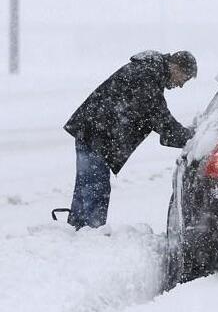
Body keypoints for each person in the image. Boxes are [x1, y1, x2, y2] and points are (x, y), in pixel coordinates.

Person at [63, 50, 197, 229]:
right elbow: (159, 116)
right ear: (176, 66)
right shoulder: (148, 75)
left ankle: (76, 229)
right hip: (96, 134)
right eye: (184, 78)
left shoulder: (149, 71)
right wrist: (191, 138)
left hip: (92, 131)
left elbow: (156, 115)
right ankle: (91, 232)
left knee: (86, 186)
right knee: (96, 188)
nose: (181, 85)